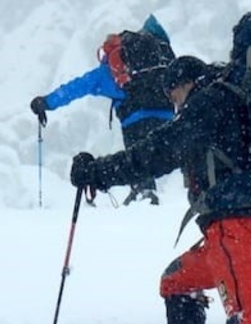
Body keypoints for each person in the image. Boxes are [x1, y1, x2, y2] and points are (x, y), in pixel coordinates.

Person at [68, 55, 251, 324]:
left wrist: (98, 172)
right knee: (177, 282)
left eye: (174, 96)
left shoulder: (208, 104)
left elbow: (155, 153)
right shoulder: (233, 100)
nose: (176, 107)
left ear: (186, 83)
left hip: (237, 226)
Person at [29, 15, 174, 205]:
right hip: (168, 114)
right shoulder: (161, 59)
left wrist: (47, 102)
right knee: (172, 154)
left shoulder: (116, 68)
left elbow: (79, 86)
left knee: (138, 161)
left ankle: (143, 194)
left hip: (135, 120)